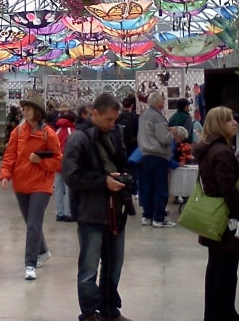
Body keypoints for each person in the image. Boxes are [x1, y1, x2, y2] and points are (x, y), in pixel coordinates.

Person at [62, 92, 136, 321]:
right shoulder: (78, 139)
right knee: (89, 269)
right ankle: (88, 313)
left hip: (116, 210)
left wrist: (126, 177)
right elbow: (71, 176)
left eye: (114, 120)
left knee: (114, 265)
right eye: (109, 120)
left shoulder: (114, 134)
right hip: (90, 213)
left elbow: (122, 162)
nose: (112, 124)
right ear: (94, 114)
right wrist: (102, 181)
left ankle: (109, 309)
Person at [192, 106, 239, 321]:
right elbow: (228, 188)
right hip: (226, 219)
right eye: (229, 120)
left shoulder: (208, 150)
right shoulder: (223, 153)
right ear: (220, 124)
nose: (235, 123)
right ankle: (225, 313)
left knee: (216, 266)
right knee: (227, 270)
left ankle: (215, 313)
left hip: (212, 217)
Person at [0, 94, 62, 281]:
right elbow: (10, 155)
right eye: (23, 108)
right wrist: (5, 174)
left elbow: (57, 161)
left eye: (28, 108)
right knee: (31, 223)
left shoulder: (48, 133)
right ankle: (43, 251)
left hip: (41, 185)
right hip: (21, 183)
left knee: (33, 224)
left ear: (37, 112)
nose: (24, 111)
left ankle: (30, 264)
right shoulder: (18, 132)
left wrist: (40, 162)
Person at [137, 91, 177, 228]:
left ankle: (147, 216)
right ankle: (159, 218)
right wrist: (172, 134)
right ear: (158, 102)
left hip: (144, 155)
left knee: (146, 187)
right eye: (162, 100)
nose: (164, 102)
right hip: (158, 157)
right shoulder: (157, 118)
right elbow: (164, 138)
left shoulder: (143, 116)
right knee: (160, 188)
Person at [53, 110, 76, 222]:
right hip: (68, 165)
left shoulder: (56, 131)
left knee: (58, 189)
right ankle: (68, 213)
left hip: (57, 163)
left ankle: (59, 212)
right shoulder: (72, 131)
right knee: (68, 189)